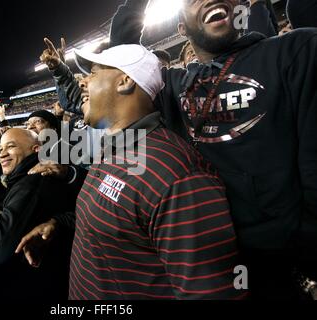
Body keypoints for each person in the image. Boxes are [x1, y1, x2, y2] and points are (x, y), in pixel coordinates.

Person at [43, 0, 317, 300]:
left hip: (273, 261)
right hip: (199, 246)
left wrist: (300, 252)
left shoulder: (293, 52)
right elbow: (121, 61)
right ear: (181, 26)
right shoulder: (174, 86)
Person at [27, 43, 245, 300]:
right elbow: (117, 220)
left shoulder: (176, 176)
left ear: (125, 81)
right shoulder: (116, 148)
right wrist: (58, 225)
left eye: (93, 73)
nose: (83, 83)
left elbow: (212, 293)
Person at [0, 128, 77, 300]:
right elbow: (20, 206)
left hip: (37, 285)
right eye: (1, 150)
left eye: (11, 147)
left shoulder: (32, 182)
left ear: (36, 149)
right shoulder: (30, 178)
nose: (2, 155)